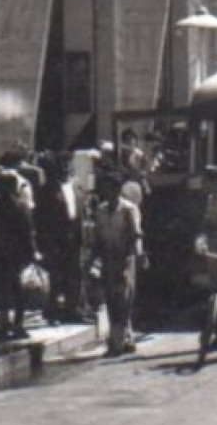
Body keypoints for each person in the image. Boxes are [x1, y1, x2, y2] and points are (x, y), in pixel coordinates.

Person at [92, 172, 144, 357]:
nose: (110, 191)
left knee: (123, 301)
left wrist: (133, 257)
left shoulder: (128, 209)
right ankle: (123, 338)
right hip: (107, 261)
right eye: (107, 187)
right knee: (111, 300)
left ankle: (118, 343)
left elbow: (135, 235)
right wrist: (95, 262)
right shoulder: (101, 210)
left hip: (124, 260)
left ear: (119, 189)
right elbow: (97, 238)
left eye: (114, 187)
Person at [0, 168, 40, 338]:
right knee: (18, 290)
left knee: (2, 288)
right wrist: (32, 251)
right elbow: (27, 230)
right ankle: (18, 324)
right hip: (16, 253)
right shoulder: (20, 205)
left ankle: (3, 322)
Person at [37, 152, 84, 323]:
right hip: (56, 237)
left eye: (68, 164)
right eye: (63, 164)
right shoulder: (47, 189)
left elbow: (81, 210)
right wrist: (44, 241)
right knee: (56, 275)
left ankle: (73, 308)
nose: (66, 168)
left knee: (74, 273)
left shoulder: (76, 186)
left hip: (74, 235)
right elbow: (41, 217)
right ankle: (53, 309)